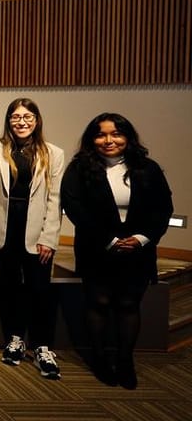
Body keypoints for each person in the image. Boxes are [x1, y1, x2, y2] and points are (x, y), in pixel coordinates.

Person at [61, 113, 172, 390]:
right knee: (97, 303)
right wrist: (108, 240)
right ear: (92, 139)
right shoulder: (79, 168)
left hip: (138, 251)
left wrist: (141, 238)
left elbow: (163, 209)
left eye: (116, 134)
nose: (108, 140)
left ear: (127, 137)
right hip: (96, 249)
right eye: (101, 134)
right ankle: (99, 360)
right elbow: (75, 208)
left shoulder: (148, 168)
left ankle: (124, 361)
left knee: (128, 305)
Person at [0, 98, 65, 379]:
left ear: (37, 120)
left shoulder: (53, 153)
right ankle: (15, 339)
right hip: (4, 229)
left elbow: (55, 200)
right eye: (15, 117)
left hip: (37, 233)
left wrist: (50, 237)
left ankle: (42, 346)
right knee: (9, 288)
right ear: (8, 121)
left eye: (28, 117)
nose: (21, 122)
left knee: (39, 289)